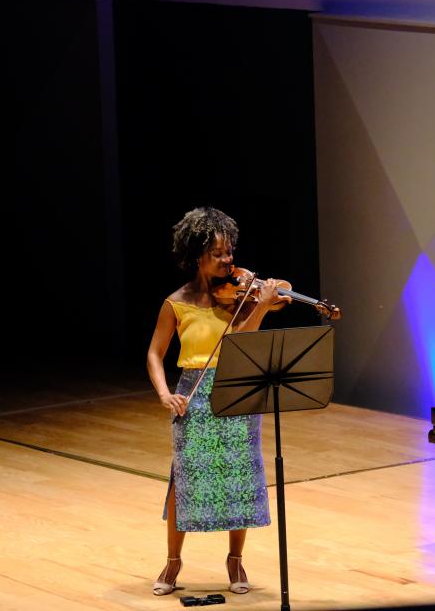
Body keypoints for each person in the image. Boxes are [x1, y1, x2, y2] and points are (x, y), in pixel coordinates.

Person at [146, 207, 292, 595]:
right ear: (198, 255)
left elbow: (240, 342)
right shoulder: (176, 303)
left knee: (239, 475)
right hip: (192, 392)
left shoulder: (238, 298)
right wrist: (165, 393)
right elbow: (155, 354)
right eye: (219, 253)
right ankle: (173, 562)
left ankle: (236, 561)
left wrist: (259, 304)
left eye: (230, 252)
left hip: (237, 387)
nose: (230, 261)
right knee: (184, 479)